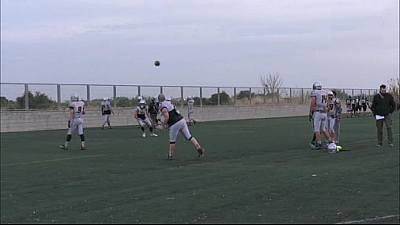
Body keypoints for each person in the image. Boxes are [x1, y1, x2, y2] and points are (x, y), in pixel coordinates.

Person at [158, 93, 205, 159]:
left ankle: (170, 155)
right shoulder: (169, 103)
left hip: (174, 123)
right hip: (181, 120)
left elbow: (167, 117)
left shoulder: (163, 106)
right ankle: (199, 148)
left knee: (172, 140)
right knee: (189, 136)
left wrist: (164, 124)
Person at [309, 82, 334, 151]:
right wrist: (327, 108)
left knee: (316, 129)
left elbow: (313, 103)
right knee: (323, 129)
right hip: (324, 113)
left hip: (318, 112)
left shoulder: (315, 92)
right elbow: (328, 102)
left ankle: (319, 143)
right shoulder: (325, 92)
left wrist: (311, 113)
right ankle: (330, 141)